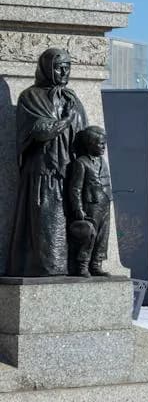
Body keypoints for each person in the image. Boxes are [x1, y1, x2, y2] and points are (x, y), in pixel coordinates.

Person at [9, 48, 88, 276]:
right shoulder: (30, 97)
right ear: (46, 68)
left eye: (68, 66)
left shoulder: (71, 98)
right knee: (47, 227)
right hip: (44, 173)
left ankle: (82, 265)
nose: (64, 71)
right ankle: (49, 269)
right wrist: (66, 120)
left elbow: (82, 133)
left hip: (70, 172)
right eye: (59, 66)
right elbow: (41, 130)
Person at [65, 126, 112, 277]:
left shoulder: (102, 162)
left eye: (104, 143)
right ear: (90, 144)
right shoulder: (81, 163)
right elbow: (75, 188)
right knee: (89, 236)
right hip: (90, 205)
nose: (103, 147)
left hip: (104, 204)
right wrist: (78, 208)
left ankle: (96, 264)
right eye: (100, 144)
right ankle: (82, 265)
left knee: (102, 237)